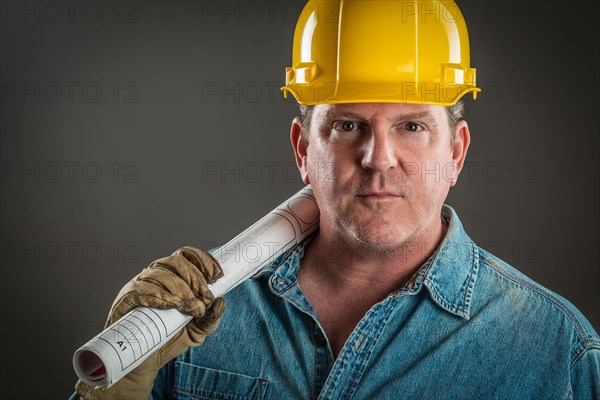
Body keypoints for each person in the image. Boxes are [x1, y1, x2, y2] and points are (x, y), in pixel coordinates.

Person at [74, 1, 599, 399]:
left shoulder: (555, 353)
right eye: (347, 125)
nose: (377, 157)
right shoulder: (190, 317)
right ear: (304, 149)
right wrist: (115, 390)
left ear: (456, 153)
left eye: (412, 125)